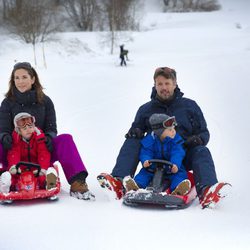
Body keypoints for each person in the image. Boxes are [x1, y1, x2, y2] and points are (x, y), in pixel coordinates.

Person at [98, 66, 230, 208]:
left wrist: (198, 139)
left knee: (202, 151)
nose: (163, 87)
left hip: (181, 156)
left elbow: (204, 133)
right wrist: (135, 131)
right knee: (132, 142)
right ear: (155, 85)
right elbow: (135, 130)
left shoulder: (190, 107)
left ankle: (207, 191)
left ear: (174, 84)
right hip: (153, 157)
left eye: (167, 83)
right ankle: (119, 182)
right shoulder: (145, 110)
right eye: (160, 84)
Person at [0, 62, 95, 200]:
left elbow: (51, 127)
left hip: (40, 149)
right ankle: (6, 179)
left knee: (65, 139)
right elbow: (2, 128)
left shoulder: (45, 101)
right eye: (17, 78)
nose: (20, 82)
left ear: (33, 79)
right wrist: (4, 137)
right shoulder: (7, 103)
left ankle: (77, 183)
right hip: (15, 150)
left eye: (24, 77)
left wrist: (49, 137)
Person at [123, 113, 191, 196]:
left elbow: (177, 153)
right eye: (170, 130)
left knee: (179, 175)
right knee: (143, 174)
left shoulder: (176, 140)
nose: (174, 131)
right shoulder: (150, 140)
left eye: (174, 128)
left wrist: (175, 164)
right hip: (153, 168)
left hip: (172, 168)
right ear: (160, 132)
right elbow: (146, 152)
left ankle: (178, 189)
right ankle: (136, 187)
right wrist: (145, 161)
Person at [0, 112, 58, 193]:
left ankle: (50, 182)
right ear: (19, 131)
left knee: (42, 178)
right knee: (14, 177)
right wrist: (14, 166)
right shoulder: (15, 140)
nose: (28, 129)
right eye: (24, 128)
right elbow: (13, 154)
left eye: (30, 126)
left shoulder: (39, 138)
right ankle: (6, 185)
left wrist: (43, 168)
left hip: (37, 168)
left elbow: (43, 153)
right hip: (21, 169)